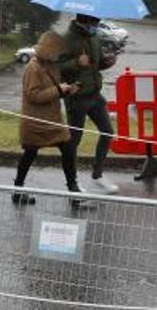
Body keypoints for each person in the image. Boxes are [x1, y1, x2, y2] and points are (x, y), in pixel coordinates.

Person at [12, 32, 82, 204]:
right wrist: (59, 90)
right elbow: (33, 96)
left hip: (53, 120)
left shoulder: (52, 66)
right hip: (35, 122)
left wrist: (68, 89)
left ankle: (73, 190)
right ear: (49, 51)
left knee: (68, 148)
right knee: (30, 153)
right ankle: (17, 190)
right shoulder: (33, 68)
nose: (59, 55)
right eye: (57, 52)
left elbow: (54, 90)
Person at [59, 14, 119, 194]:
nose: (96, 26)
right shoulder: (66, 39)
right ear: (84, 22)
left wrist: (107, 62)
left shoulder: (94, 36)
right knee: (73, 141)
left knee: (108, 132)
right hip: (76, 97)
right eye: (94, 23)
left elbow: (95, 64)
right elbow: (57, 66)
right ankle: (73, 184)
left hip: (94, 94)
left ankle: (97, 175)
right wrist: (77, 62)